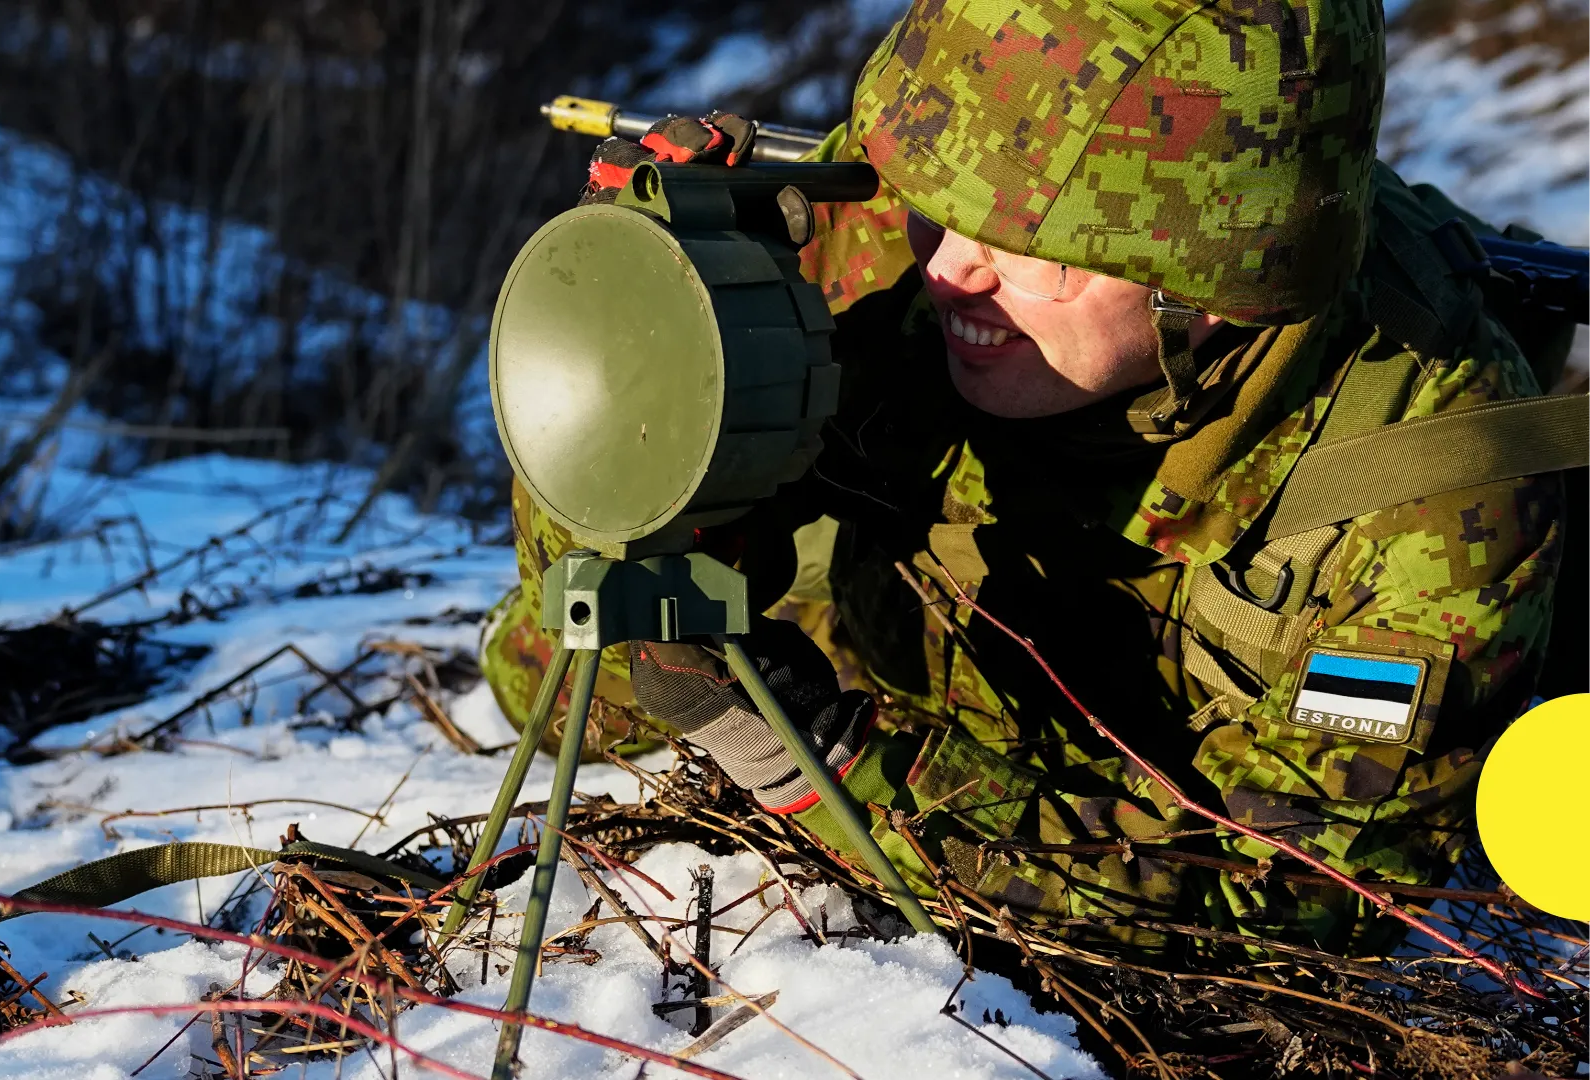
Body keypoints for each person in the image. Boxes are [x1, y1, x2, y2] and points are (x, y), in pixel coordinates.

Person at [480, 0, 1574, 957]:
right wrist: (656, 358)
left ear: (1215, 284)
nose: (953, 261)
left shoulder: (1430, 488)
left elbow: (1291, 908)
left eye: (1036, 244)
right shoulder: (891, 238)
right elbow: (555, 670)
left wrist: (828, 765)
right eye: (937, 197)